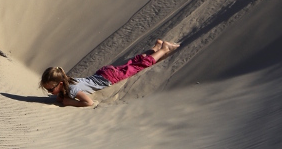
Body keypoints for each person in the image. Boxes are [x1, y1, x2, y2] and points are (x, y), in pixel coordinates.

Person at [40, 40, 180, 108]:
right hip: (103, 73)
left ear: (60, 83)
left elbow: (88, 102)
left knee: (138, 66)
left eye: (51, 89)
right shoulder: (68, 81)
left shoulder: (72, 89)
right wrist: (60, 96)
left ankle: (164, 49)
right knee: (131, 64)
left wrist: (71, 102)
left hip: (109, 78)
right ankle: (155, 48)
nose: (49, 92)